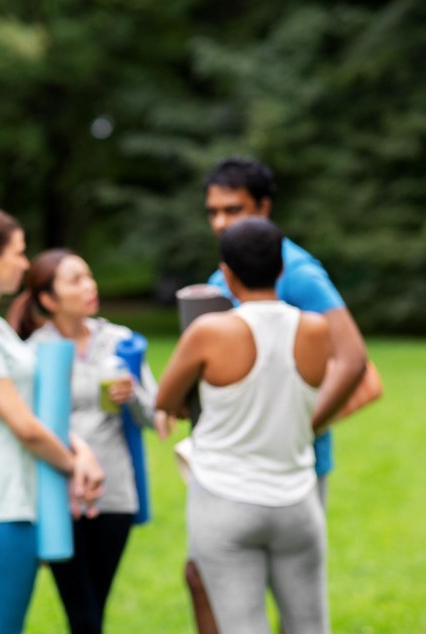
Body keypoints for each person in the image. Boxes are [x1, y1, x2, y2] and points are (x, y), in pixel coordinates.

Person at [170, 156, 368, 634]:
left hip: (293, 466)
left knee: (292, 608)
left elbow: (354, 357)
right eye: (213, 212)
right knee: (208, 582)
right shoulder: (227, 273)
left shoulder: (295, 271)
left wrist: (303, 425)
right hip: (227, 469)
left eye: (233, 210)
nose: (220, 222)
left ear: (264, 206)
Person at [156, 217, 333, 634]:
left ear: (228, 275)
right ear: (282, 268)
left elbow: (165, 399)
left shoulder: (210, 332)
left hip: (224, 501)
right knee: (310, 626)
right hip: (297, 500)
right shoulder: (316, 329)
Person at [0, 208, 105, 634]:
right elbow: (24, 427)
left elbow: (36, 410)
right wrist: (76, 464)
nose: (26, 264)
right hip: (1, 503)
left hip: (25, 498)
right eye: (20, 252)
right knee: (1, 627)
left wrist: (78, 447)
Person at [7, 248, 157, 634]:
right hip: (60, 494)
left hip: (115, 492)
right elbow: (29, 424)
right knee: (83, 615)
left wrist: (134, 394)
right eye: (75, 280)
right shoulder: (32, 354)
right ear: (47, 299)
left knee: (94, 611)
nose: (90, 286)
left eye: (89, 276)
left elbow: (153, 417)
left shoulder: (121, 342)